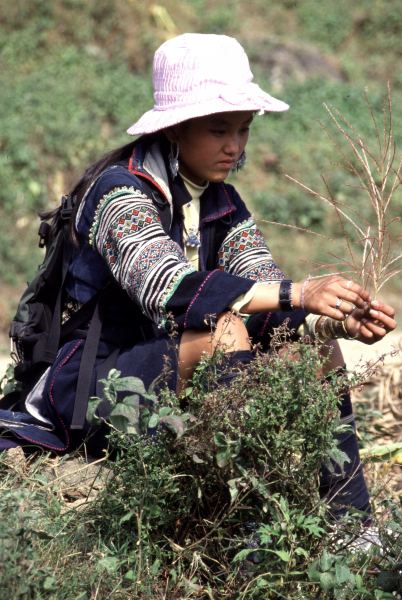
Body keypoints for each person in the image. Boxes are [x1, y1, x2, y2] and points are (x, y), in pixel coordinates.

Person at [1, 34, 396, 519]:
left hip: (168, 365)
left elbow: (261, 282)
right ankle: (242, 525)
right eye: (218, 130)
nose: (234, 146)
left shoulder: (221, 201)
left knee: (314, 345)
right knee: (225, 331)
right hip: (89, 383)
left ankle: (351, 521)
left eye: (244, 129)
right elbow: (164, 284)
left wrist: (330, 319)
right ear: (175, 128)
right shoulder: (119, 193)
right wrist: (299, 293)